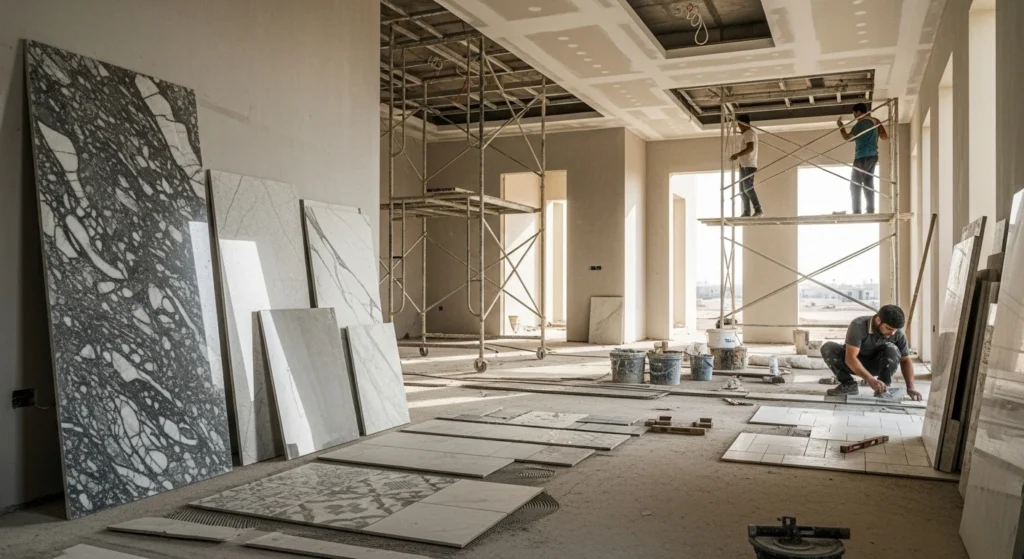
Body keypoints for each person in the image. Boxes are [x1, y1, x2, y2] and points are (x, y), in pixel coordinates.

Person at [822, 304, 923, 401]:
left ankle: (883, 387)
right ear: (878, 320)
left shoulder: (897, 334)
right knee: (828, 348)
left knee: (892, 348)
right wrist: (870, 380)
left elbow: (905, 360)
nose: (892, 333)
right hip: (855, 363)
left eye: (895, 330)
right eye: (889, 328)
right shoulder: (858, 326)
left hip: (878, 364)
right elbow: (850, 358)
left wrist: (910, 388)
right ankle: (848, 385)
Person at [837, 103, 887, 214]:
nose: (854, 116)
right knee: (868, 184)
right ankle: (870, 210)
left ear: (858, 112)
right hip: (873, 156)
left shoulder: (860, 124)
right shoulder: (875, 121)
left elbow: (848, 138)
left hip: (861, 157)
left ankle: (857, 210)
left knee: (855, 184)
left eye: (854, 113)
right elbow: (884, 137)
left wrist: (841, 126)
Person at [729, 114, 763, 217]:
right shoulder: (747, 133)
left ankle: (758, 210)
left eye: (739, 124)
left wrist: (737, 154)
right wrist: (740, 163)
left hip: (749, 164)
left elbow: (750, 148)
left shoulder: (749, 133)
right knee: (742, 190)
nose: (738, 127)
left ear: (742, 123)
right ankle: (746, 212)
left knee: (748, 188)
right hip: (745, 165)